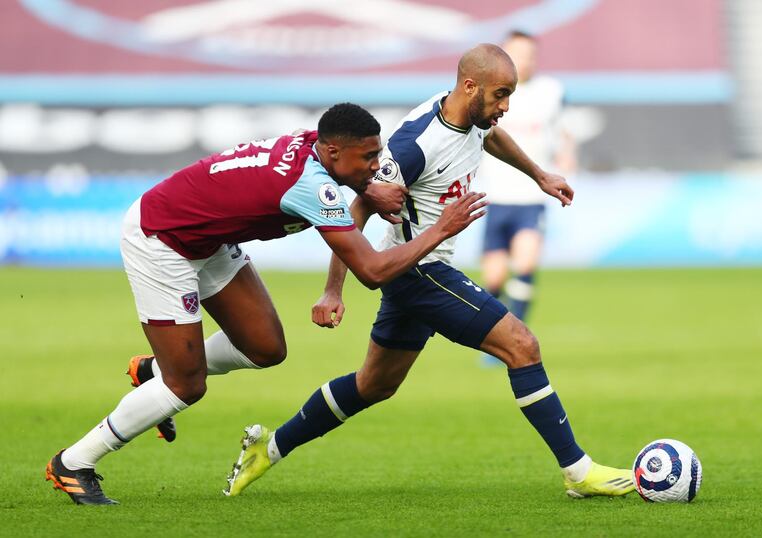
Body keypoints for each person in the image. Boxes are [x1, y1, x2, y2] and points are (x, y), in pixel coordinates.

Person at [223, 45, 634, 499]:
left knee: (373, 385)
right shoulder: (415, 145)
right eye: (501, 95)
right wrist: (333, 290)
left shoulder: (472, 116)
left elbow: (489, 136)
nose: (506, 107)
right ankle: (578, 471)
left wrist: (538, 174)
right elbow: (358, 208)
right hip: (420, 271)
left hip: (414, 270)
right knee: (521, 345)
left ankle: (269, 449)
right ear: (470, 86)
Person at [45, 103, 487, 505]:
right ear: (333, 153)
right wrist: (440, 229)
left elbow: (323, 185)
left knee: (265, 348)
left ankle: (152, 371)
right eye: (369, 159)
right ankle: (75, 462)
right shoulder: (312, 185)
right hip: (162, 239)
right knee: (187, 385)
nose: (377, 166)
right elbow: (371, 271)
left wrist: (367, 188)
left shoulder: (315, 149)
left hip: (209, 239)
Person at [479, 32, 576, 366]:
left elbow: (565, 130)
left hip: (531, 198)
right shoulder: (492, 92)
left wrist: (566, 154)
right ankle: (495, 337)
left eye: (531, 53)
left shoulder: (551, 91)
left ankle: (513, 338)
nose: (527, 59)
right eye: (519, 53)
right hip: (494, 197)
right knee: (492, 279)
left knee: (525, 265)